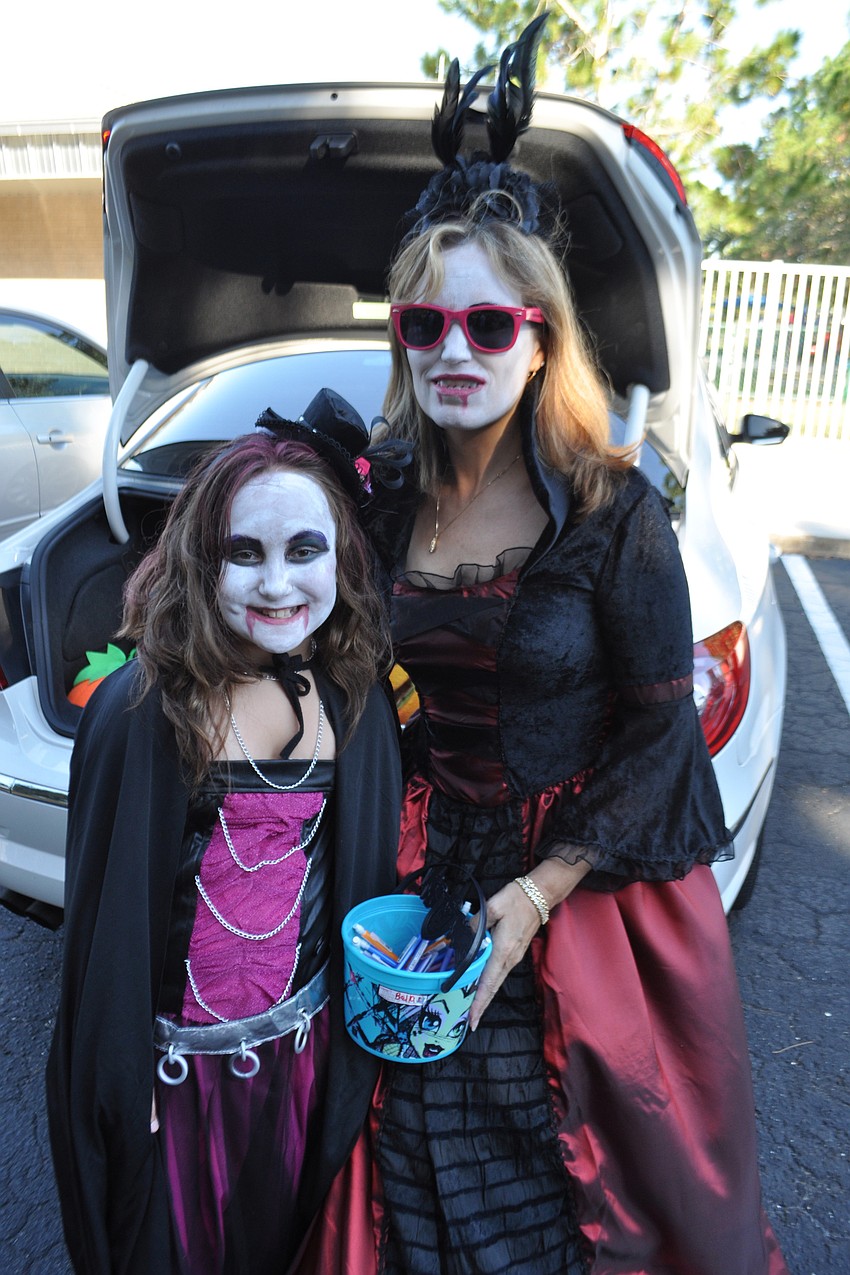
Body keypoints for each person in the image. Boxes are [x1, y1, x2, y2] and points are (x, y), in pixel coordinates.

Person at [325, 22, 789, 1275]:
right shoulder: (375, 496)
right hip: (419, 870)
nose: (454, 354)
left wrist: (532, 901)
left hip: (573, 889)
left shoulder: (608, 506)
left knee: (565, 1177)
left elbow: (654, 730)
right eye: (424, 327)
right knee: (404, 1144)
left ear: (539, 335)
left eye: (488, 325)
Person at [45, 394, 403, 1275]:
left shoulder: (354, 702)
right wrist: (120, 1091)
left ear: (344, 559)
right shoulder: (144, 711)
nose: (277, 584)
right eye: (245, 554)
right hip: (176, 1085)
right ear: (201, 564)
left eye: (303, 549)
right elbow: (106, 931)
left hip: (303, 1062)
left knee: (285, 1240)